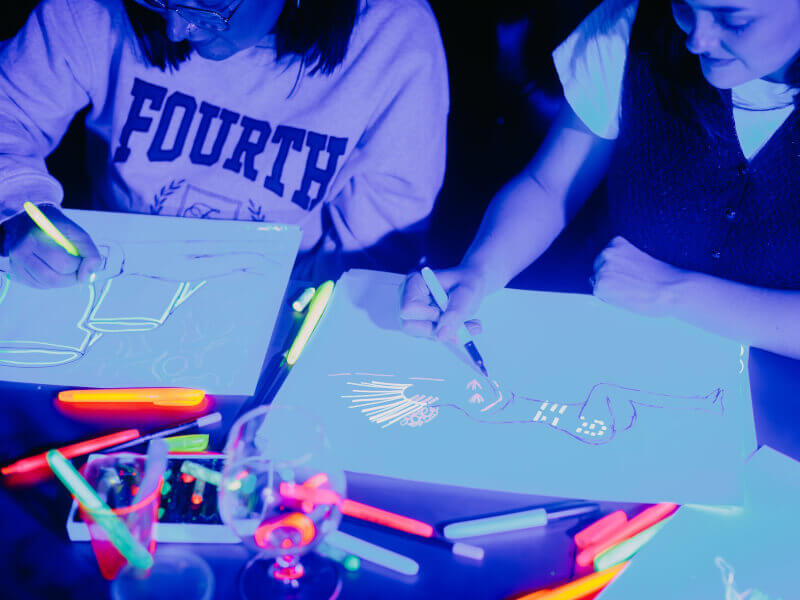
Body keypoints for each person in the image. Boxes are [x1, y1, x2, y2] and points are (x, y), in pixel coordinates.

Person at [401, 0, 800, 360]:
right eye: (684, 5)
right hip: (614, 353)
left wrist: (676, 293)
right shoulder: (630, 27)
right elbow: (549, 186)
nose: (697, 39)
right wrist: (480, 271)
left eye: (733, 18)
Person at [0, 0, 448, 287]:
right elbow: (10, 114)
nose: (175, 29)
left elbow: (376, 252)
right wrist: (18, 209)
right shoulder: (96, 10)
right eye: (156, 0)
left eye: (209, 7)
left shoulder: (393, 38)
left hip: (284, 307)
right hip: (107, 280)